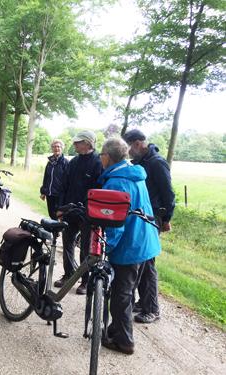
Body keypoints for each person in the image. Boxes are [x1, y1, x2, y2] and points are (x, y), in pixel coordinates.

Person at [97, 137, 161, 354]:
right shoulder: (136, 174)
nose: (100, 159)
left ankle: (124, 341)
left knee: (120, 295)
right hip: (146, 241)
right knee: (128, 289)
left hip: (130, 246)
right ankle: (116, 330)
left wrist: (106, 248)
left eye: (101, 155)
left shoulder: (115, 182)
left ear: (108, 157)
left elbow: (115, 225)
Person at [123, 128, 175, 324]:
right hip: (141, 216)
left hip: (153, 218)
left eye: (128, 146)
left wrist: (166, 219)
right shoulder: (141, 162)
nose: (128, 151)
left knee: (147, 264)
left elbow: (168, 194)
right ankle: (142, 302)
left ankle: (152, 309)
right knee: (140, 260)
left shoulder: (157, 163)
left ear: (137, 143)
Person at [54, 130, 103, 295]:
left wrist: (91, 210)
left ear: (88, 143)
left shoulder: (98, 163)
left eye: (78, 142)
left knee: (85, 248)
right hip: (70, 211)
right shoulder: (73, 162)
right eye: (75, 142)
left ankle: (85, 281)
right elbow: (64, 186)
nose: (74, 144)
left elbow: (99, 190)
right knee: (67, 243)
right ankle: (68, 275)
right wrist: (61, 208)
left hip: (88, 214)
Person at [40, 139, 69, 220]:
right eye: (54, 147)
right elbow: (46, 178)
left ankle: (61, 232)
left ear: (62, 148)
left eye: (58, 147)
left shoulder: (65, 162)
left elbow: (68, 181)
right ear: (52, 149)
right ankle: (55, 232)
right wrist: (43, 192)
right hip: (50, 194)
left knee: (60, 216)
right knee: (52, 215)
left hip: (60, 195)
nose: (56, 148)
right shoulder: (50, 162)